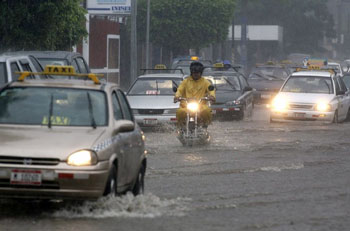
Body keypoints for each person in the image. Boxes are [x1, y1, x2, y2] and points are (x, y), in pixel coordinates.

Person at [174, 61, 215, 128]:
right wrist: (177, 96)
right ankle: (181, 127)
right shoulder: (185, 82)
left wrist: (212, 96)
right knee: (180, 112)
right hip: (186, 105)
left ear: (201, 73)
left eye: (197, 73)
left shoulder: (205, 82)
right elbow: (179, 90)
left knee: (207, 111)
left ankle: (205, 126)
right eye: (194, 73)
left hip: (201, 105)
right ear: (191, 72)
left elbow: (211, 90)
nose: (196, 74)